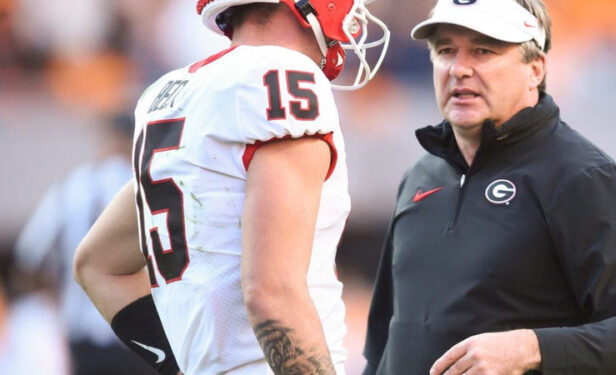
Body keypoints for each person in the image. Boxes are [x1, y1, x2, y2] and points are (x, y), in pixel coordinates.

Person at [73, 1, 389, 374]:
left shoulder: (170, 92)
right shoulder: (284, 76)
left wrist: (184, 366)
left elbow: (97, 264)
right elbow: (273, 295)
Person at [363, 0, 616, 374]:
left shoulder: (582, 177)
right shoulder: (421, 175)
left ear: (535, 68)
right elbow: (384, 342)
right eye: (446, 50)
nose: (459, 68)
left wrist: (531, 347)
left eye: (483, 50)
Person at [13, 113, 160, 375]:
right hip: (138, 329)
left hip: (80, 334)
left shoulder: (72, 186)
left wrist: (59, 292)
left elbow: (31, 254)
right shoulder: (144, 183)